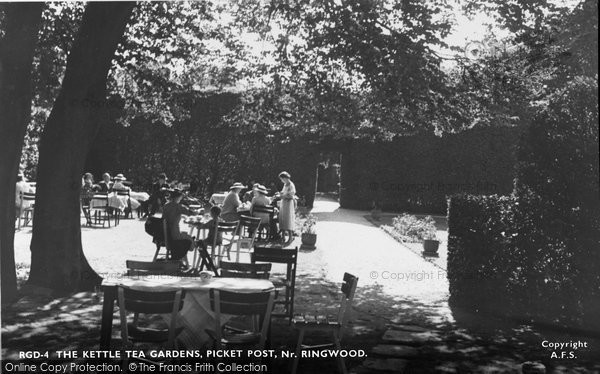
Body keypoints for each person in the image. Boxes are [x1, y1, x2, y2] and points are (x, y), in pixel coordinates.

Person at [162, 189, 195, 267]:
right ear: (177, 198)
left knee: (186, 235)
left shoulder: (166, 205)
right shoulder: (178, 206)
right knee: (189, 239)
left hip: (165, 233)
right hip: (174, 234)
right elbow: (190, 213)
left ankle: (179, 259)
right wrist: (198, 211)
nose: (181, 200)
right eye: (180, 198)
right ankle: (179, 259)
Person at [275, 171, 296, 239]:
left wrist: (283, 196)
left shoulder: (291, 185)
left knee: (288, 219)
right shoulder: (285, 185)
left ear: (285, 178)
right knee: (282, 218)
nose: (282, 181)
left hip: (288, 203)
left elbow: (291, 195)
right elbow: (283, 192)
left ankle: (290, 237)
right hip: (283, 203)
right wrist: (280, 194)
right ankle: (283, 236)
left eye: (282, 179)